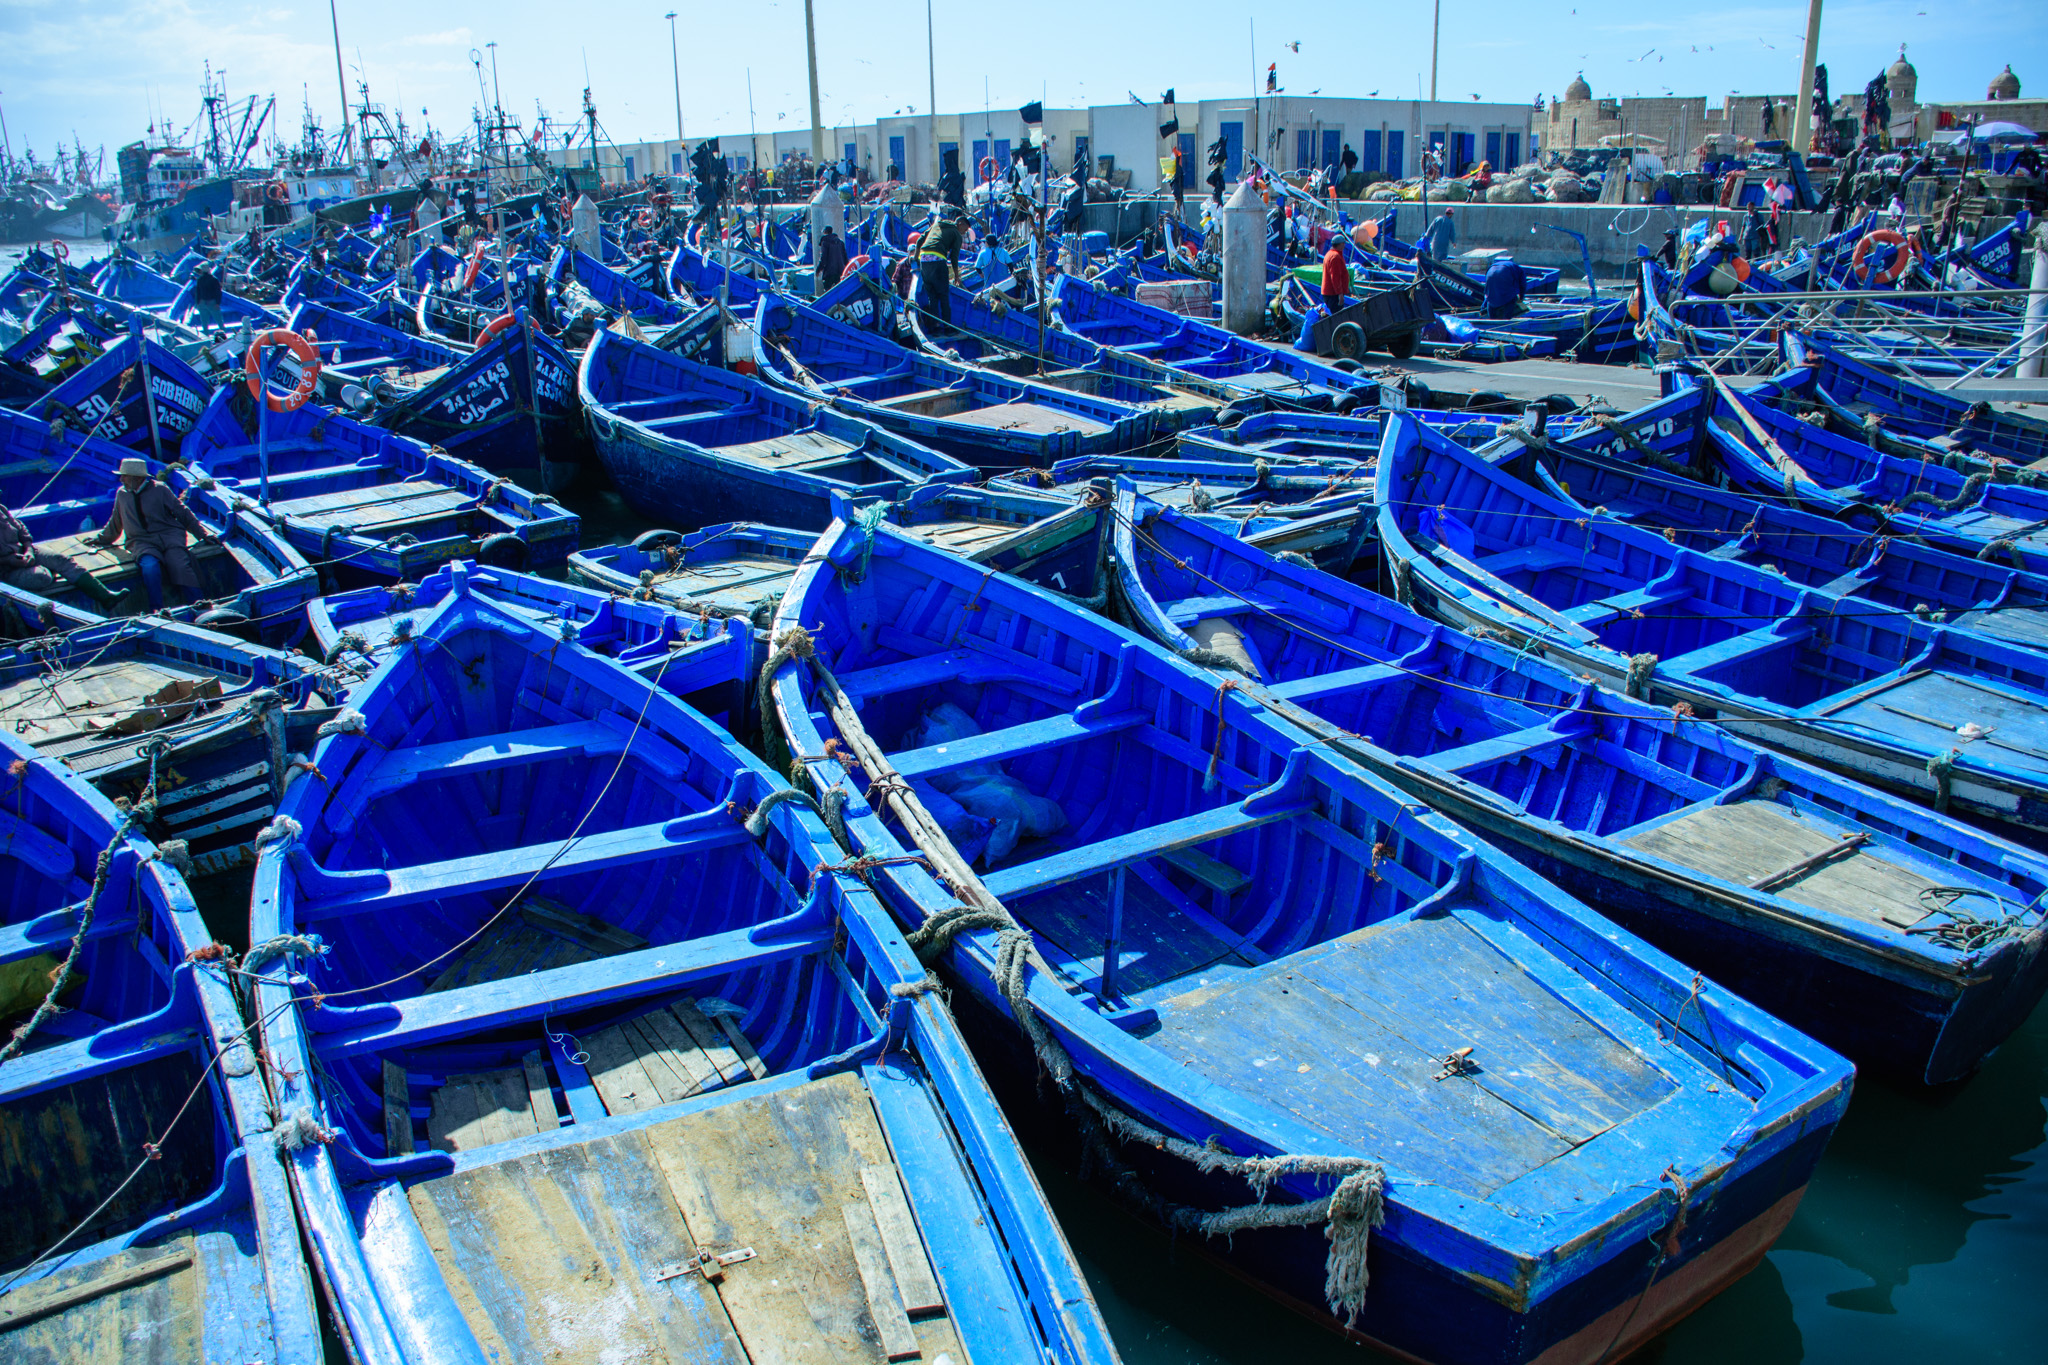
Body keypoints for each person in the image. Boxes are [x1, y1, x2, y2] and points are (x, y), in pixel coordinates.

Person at [91, 459, 214, 610]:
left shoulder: (160, 490)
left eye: (125, 476)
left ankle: (200, 605)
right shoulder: (122, 494)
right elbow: (115, 521)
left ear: (137, 478)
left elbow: (182, 512)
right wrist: (100, 539)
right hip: (141, 542)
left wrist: (202, 534)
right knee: (150, 567)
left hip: (169, 538)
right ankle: (158, 610)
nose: (121, 479)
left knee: (180, 566)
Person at [0, 501, 101, 599]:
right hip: (5, 571)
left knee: (61, 560)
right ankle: (47, 569)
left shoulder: (1, 509)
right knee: (41, 577)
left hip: (23, 552)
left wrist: (29, 550)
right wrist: (9, 560)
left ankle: (107, 598)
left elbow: (21, 529)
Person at [918, 207, 965, 329]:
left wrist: (916, 258)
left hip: (924, 259)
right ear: (960, 224)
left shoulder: (936, 225)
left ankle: (935, 328)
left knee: (932, 297)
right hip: (938, 260)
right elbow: (954, 258)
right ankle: (948, 328)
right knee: (944, 295)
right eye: (965, 229)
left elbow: (919, 240)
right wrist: (956, 276)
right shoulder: (956, 234)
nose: (964, 233)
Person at [1483, 254, 1526, 319]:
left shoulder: (1494, 265)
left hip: (1490, 272)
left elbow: (1487, 290)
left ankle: (1491, 319)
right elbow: (1523, 284)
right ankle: (1506, 319)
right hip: (1505, 273)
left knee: (1491, 295)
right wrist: (1521, 297)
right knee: (1510, 297)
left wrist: (1483, 307)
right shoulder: (1517, 267)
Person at [190, 260, 224, 329]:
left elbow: (198, 293)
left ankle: (206, 335)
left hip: (203, 303)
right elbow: (218, 293)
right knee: (219, 321)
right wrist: (217, 303)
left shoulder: (200, 280)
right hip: (212, 302)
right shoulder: (214, 279)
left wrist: (197, 304)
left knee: (204, 323)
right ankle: (223, 332)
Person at [1319, 239, 1350, 313]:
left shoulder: (1329, 254)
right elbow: (1335, 277)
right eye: (1343, 243)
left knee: (1329, 314)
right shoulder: (1335, 256)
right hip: (1333, 294)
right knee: (1334, 316)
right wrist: (1340, 294)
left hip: (1329, 292)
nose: (1344, 245)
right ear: (1339, 244)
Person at [815, 224, 850, 289]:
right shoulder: (840, 242)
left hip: (829, 271)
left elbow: (823, 258)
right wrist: (847, 269)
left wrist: (818, 270)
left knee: (827, 292)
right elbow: (845, 257)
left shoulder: (825, 242)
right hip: (840, 270)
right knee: (839, 291)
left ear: (825, 232)